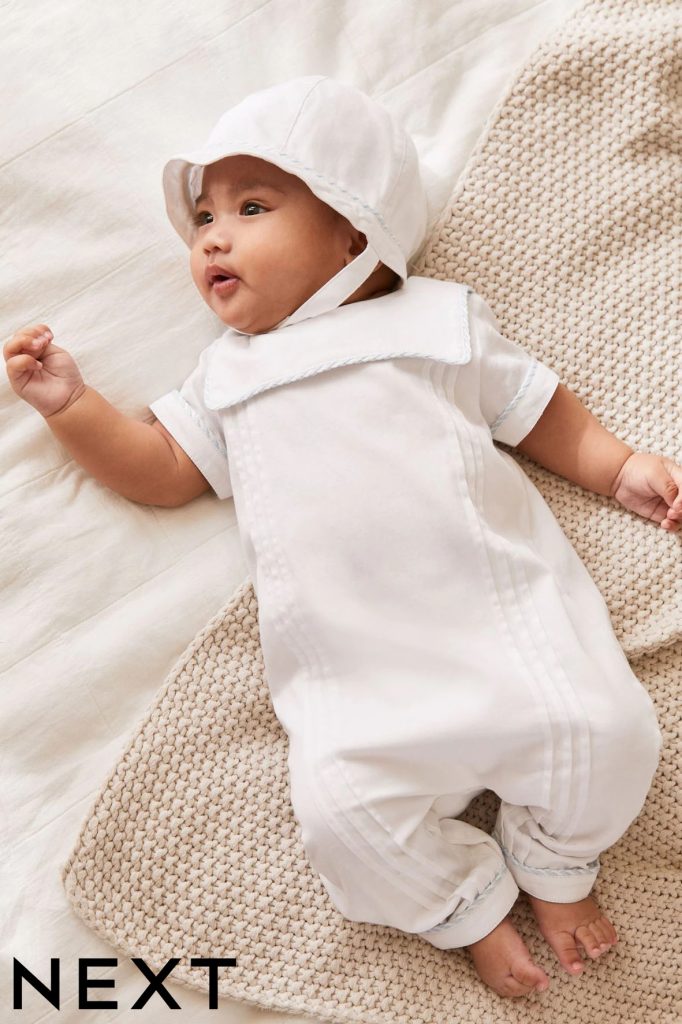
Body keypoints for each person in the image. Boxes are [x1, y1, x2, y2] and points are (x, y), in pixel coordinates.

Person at [4, 76, 678, 1000]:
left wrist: (618, 464)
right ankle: (468, 906)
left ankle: (556, 863)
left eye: (250, 208)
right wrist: (73, 407)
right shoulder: (227, 376)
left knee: (609, 734)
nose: (212, 237)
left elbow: (536, 411)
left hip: (508, 639)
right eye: (202, 218)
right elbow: (160, 469)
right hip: (356, 692)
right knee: (344, 825)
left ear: (353, 231)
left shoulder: (433, 321)